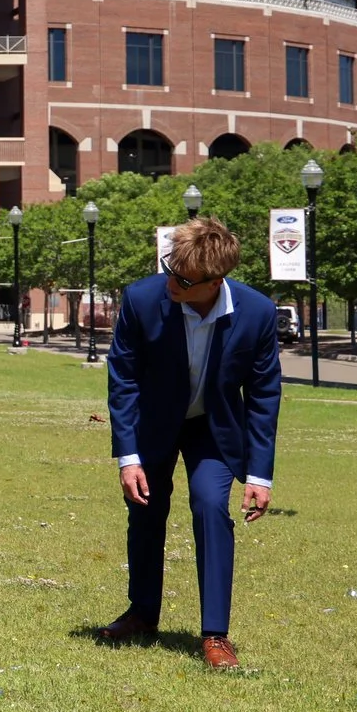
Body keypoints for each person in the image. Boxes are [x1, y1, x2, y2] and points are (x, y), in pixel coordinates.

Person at [96, 217, 281, 669]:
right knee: (145, 509)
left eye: (182, 279)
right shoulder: (141, 299)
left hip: (212, 429)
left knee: (210, 507)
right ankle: (142, 614)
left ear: (214, 281)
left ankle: (216, 635)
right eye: (169, 269)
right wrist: (128, 456)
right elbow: (123, 379)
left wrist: (259, 474)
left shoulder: (257, 314)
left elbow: (263, 395)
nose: (171, 282)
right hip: (154, 424)